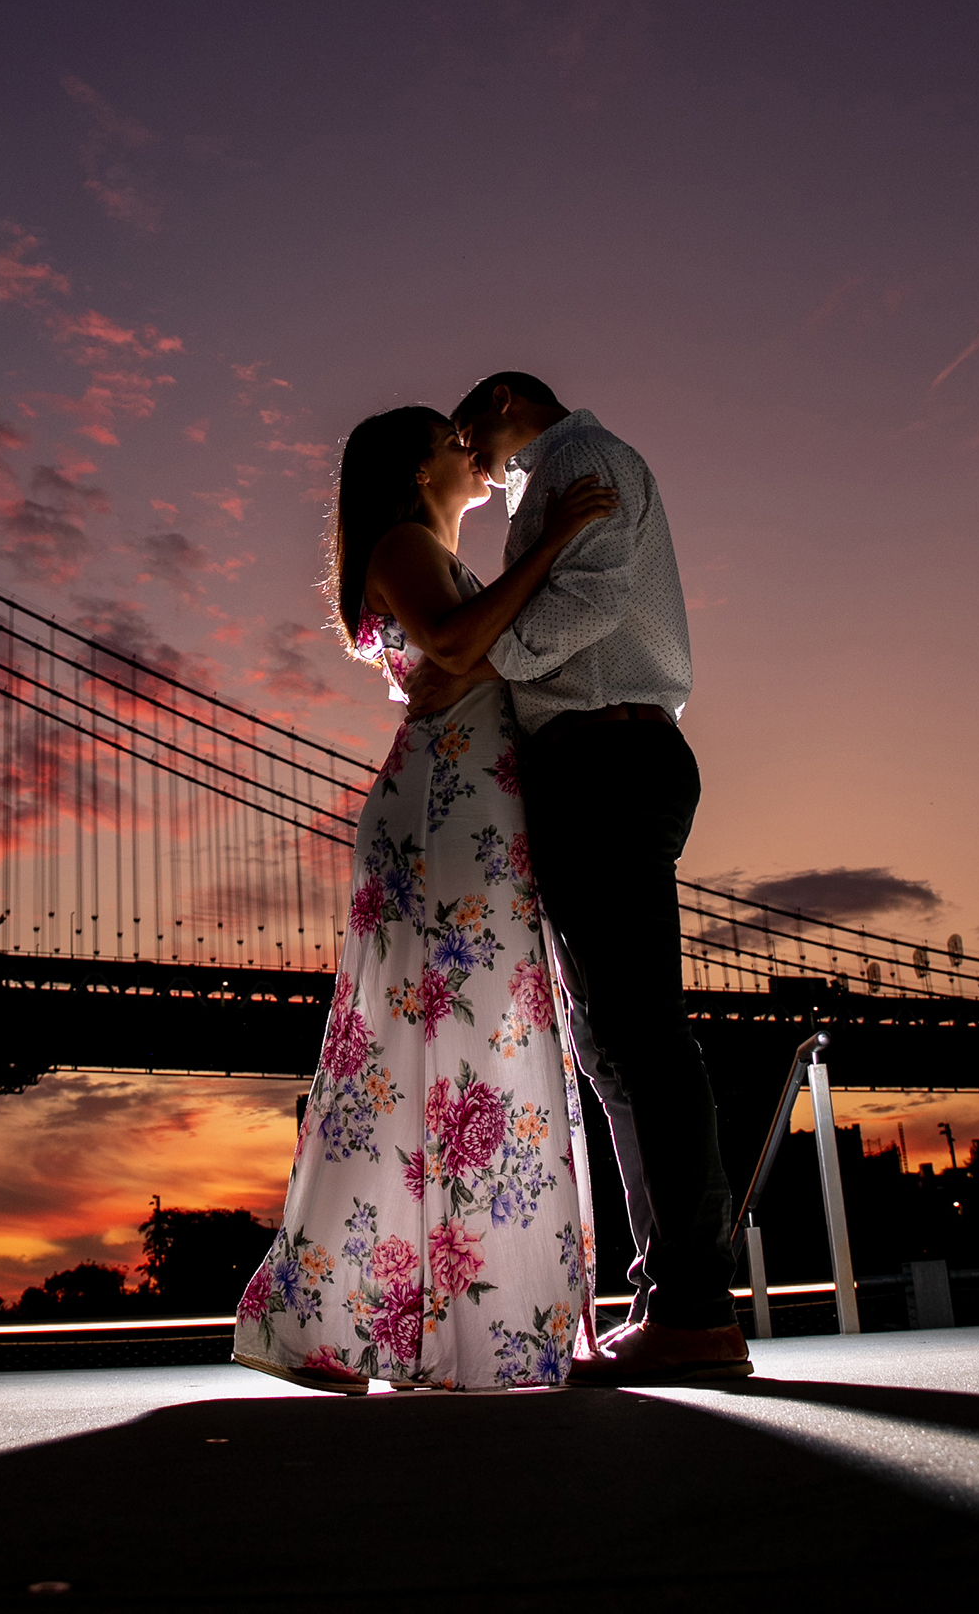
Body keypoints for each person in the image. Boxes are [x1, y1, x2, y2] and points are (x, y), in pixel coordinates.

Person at [232, 406, 617, 1393]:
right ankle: (356, 1319)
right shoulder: (404, 541)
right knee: (434, 1060)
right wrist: (562, 542)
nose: (468, 447)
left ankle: (436, 1323)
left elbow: (464, 654)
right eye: (452, 438)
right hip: (443, 815)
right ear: (414, 465)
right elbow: (451, 642)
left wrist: (473, 654)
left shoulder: (429, 550)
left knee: (441, 1063)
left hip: (469, 809)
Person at [404, 371, 751, 1385]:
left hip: (605, 755)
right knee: (615, 1039)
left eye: (470, 429)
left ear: (509, 397)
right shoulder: (551, 479)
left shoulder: (579, 463)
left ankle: (691, 1307)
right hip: (605, 758)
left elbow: (592, 599)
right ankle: (677, 1300)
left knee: (636, 1035)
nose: (468, 454)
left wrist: (480, 661)